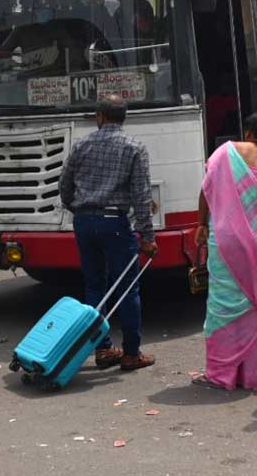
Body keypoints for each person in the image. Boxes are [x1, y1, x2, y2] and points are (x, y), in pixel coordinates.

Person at [59, 94, 157, 372]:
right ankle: (130, 353)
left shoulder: (81, 145)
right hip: (114, 223)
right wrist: (147, 237)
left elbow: (64, 184)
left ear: (99, 117)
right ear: (123, 117)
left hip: (84, 221)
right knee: (127, 289)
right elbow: (141, 196)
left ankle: (102, 348)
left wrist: (75, 207)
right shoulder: (134, 147)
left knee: (94, 286)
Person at [193, 111, 257, 390]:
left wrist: (201, 225)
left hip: (225, 242)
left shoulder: (225, 153)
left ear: (248, 131)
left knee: (222, 307)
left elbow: (206, 190)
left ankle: (221, 374)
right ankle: (252, 375)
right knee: (253, 306)